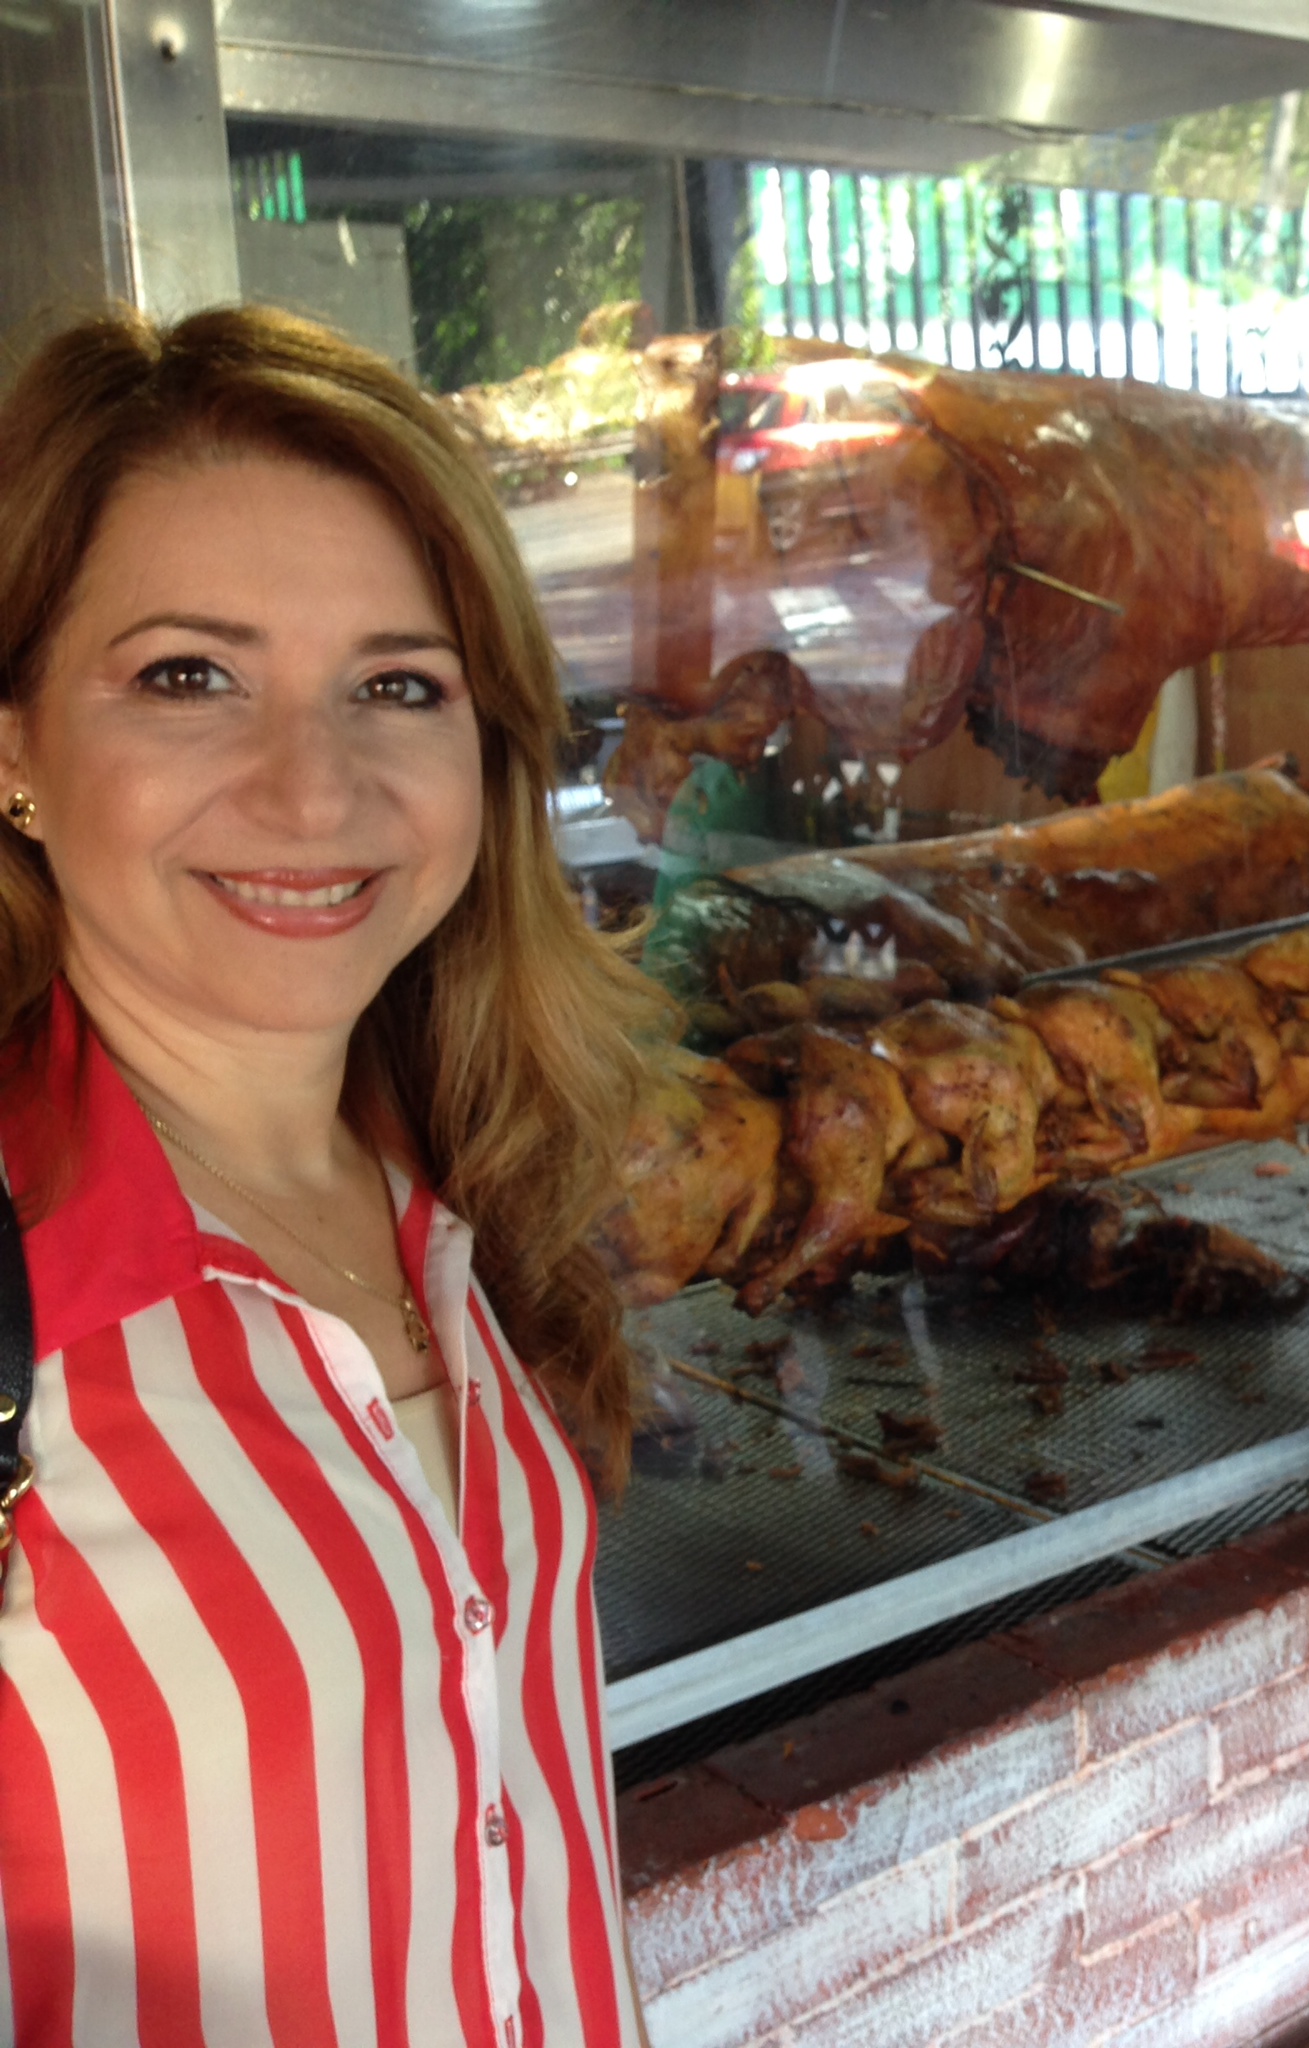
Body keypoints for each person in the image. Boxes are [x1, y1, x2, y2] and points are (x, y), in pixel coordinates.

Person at [0, 305, 664, 2046]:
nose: (315, 792)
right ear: (13, 745)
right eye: (188, 676)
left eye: (398, 686)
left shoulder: (463, 1179)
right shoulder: (25, 1298)